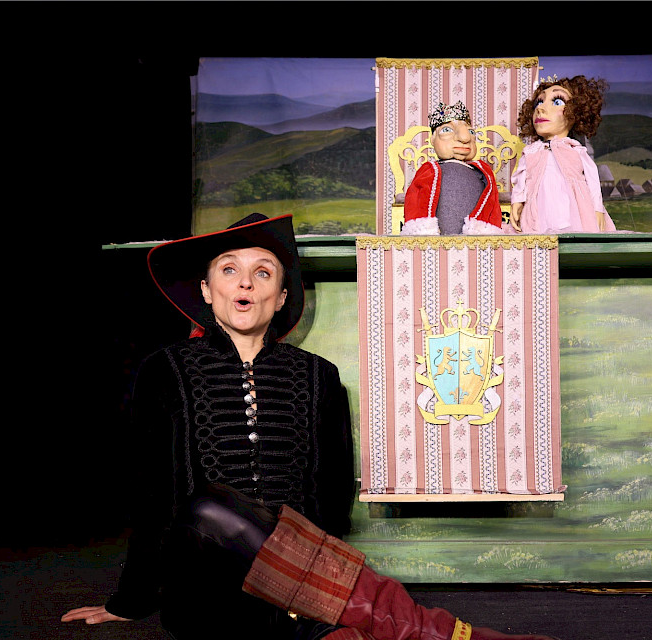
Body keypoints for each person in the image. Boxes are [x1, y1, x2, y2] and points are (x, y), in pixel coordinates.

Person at [63, 213, 556, 640]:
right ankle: (425, 629)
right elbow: (153, 494)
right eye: (229, 270)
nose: (245, 283)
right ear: (207, 291)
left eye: (262, 272)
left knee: (333, 632)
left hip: (302, 581)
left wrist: (313, 579)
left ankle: (410, 631)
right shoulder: (165, 370)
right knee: (210, 508)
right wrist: (130, 600)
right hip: (204, 579)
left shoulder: (318, 375)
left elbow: (331, 494)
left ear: (281, 297)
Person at [509, 75, 615, 234]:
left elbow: (593, 180)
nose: (540, 108)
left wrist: (597, 208)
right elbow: (521, 178)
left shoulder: (576, 150)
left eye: (557, 101)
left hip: (574, 210)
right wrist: (517, 200)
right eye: (539, 102)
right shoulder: (531, 151)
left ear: (576, 112)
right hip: (539, 209)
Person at [402, 101, 504, 235]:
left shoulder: (483, 172)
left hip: (475, 240)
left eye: (471, 132)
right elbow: (415, 200)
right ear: (433, 140)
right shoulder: (429, 171)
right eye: (447, 130)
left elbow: (492, 204)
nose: (465, 138)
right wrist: (422, 229)